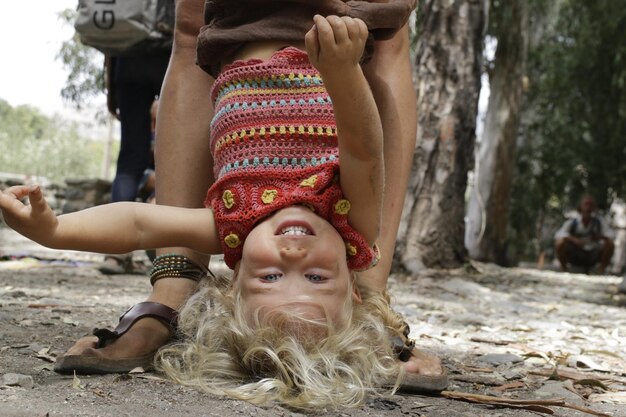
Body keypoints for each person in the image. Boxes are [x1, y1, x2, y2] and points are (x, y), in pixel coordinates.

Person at [35, 0, 445, 396]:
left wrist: (54, 230)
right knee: (381, 21)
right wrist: (341, 73)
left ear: (232, 289)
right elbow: (362, 148)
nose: (293, 256)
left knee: (195, 28)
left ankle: (177, 293)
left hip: (237, 29)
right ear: (348, 287)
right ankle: (372, 309)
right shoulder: (349, 219)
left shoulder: (231, 224)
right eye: (317, 278)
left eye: (270, 278)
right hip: (338, 45)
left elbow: (138, 223)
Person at [98, 52, 169, 275]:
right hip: (172, 56)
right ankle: (170, 250)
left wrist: (112, 88)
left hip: (127, 62)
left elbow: (111, 45)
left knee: (129, 161)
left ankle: (115, 252)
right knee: (176, 155)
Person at [555, 195, 615, 274]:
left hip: (593, 253)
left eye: (591, 205)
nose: (588, 208)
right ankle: (564, 270)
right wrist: (573, 239)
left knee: (610, 244)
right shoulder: (573, 222)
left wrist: (600, 237)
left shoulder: (599, 222)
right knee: (560, 243)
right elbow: (558, 234)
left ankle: (601, 271)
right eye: (586, 204)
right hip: (576, 253)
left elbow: (611, 234)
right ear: (581, 207)